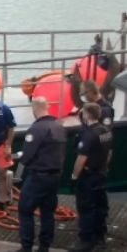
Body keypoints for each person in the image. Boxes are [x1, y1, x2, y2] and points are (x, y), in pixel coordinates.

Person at [17, 97, 67, 252]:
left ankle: (27, 247)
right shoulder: (59, 127)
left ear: (34, 109)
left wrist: (20, 159)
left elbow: (27, 155)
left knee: (25, 210)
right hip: (55, 176)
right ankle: (44, 246)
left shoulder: (36, 129)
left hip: (39, 176)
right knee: (48, 212)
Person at [69, 102, 112, 252]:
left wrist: (74, 176)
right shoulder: (106, 131)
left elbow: (81, 158)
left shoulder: (88, 134)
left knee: (86, 208)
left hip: (88, 176)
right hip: (101, 174)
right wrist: (103, 168)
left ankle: (86, 241)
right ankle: (100, 239)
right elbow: (109, 153)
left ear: (86, 114)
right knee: (100, 207)